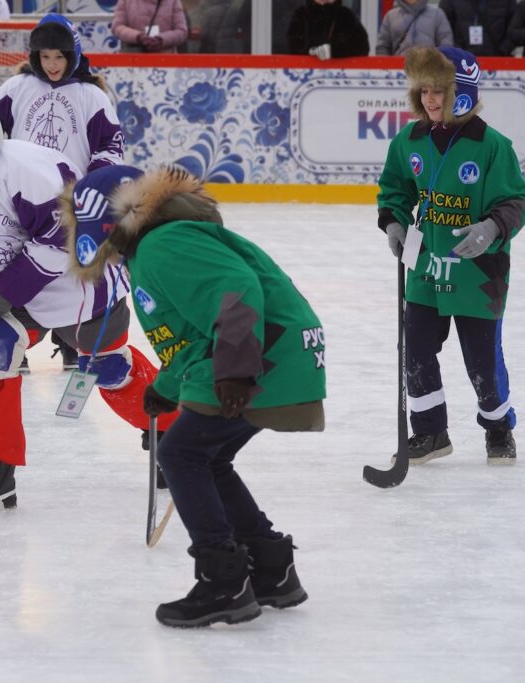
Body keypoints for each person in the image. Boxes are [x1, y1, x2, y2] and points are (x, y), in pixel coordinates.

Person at [65, 163, 326, 628]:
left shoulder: (164, 243)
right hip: (268, 354)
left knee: (181, 455)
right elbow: (193, 337)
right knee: (206, 457)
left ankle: (223, 582)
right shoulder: (157, 245)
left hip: (264, 356)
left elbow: (236, 291)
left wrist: (239, 369)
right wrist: (164, 388)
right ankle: (271, 571)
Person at [0, 86, 179, 513]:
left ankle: (174, 437)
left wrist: (5, 290)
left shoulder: (23, 170)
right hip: (18, 295)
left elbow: (62, 240)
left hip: (83, 284)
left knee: (108, 369)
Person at [377, 46, 524, 465]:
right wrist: (394, 222)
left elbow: (514, 201)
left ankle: (498, 427)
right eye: (423, 90)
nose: (429, 99)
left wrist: (492, 227)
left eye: (439, 90)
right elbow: (395, 190)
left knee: (482, 360)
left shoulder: (492, 146)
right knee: (417, 350)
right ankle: (429, 433)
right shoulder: (410, 141)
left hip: (478, 274)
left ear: (461, 91)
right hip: (425, 267)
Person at [0, 13, 124, 371]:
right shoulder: (18, 88)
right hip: (25, 198)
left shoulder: (91, 96)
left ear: (73, 56)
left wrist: (92, 186)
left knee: (71, 269)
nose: (52, 65)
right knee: (23, 263)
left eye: (59, 57)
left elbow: (110, 147)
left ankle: (69, 339)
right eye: (45, 57)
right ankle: (18, 340)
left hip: (72, 203)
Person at [285, 0, 369, 59]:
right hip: (307, 77)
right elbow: (292, 46)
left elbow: (362, 47)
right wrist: (311, 51)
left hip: (338, 78)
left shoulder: (346, 16)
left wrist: (333, 51)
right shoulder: (301, 15)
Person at [376, 0, 454, 56]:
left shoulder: (437, 14)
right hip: (397, 71)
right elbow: (382, 47)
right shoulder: (390, 16)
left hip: (429, 71)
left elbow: (446, 44)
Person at [439, 0, 516, 56]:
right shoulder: (449, 2)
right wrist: (459, 54)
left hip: (501, 64)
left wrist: (502, 51)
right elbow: (444, 33)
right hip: (462, 63)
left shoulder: (507, 2)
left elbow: (513, 29)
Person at [112, 0, 189, 53]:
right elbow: (117, 27)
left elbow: (182, 31)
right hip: (133, 62)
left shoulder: (173, 1)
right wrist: (138, 36)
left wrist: (162, 40)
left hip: (165, 63)